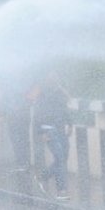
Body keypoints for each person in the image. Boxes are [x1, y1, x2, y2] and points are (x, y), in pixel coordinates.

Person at [32, 73, 72, 201]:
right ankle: (61, 190)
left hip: (60, 129)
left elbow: (65, 109)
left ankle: (42, 177)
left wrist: (70, 124)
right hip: (49, 130)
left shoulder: (61, 94)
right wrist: (40, 132)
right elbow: (37, 115)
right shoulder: (42, 96)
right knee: (60, 159)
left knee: (63, 158)